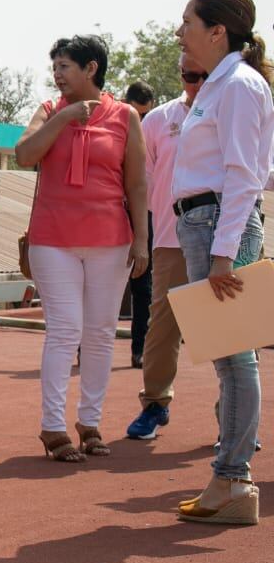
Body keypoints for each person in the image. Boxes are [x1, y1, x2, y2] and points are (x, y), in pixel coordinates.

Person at [15, 35, 148, 465]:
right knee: (66, 330)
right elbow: (24, 154)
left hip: (111, 239)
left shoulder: (125, 116)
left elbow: (137, 182)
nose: (57, 74)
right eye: (54, 67)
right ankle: (52, 427)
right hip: (52, 239)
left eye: (65, 66)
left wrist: (142, 239)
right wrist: (66, 117)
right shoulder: (49, 110)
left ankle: (90, 423)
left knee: (100, 332)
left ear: (91, 69)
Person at [171, 0, 272, 526]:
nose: (179, 30)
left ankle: (233, 479)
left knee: (235, 358)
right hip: (204, 223)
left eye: (187, 21)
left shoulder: (237, 85)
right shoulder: (223, 84)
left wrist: (224, 254)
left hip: (217, 227)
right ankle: (230, 477)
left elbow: (242, 174)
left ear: (218, 30)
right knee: (229, 357)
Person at [125, 54, 207, 441]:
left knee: (235, 331)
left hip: (228, 237)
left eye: (204, 75)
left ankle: (236, 419)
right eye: (189, 75)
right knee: (163, 326)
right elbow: (143, 183)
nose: (196, 82)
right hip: (173, 239)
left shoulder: (234, 108)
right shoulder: (158, 120)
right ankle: (155, 404)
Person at [122, 80, 159, 369]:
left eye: (147, 115)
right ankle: (86, 347)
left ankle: (139, 350)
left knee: (143, 287)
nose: (142, 121)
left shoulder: (156, 131)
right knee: (98, 283)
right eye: (137, 114)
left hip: (145, 214)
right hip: (111, 213)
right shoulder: (112, 127)